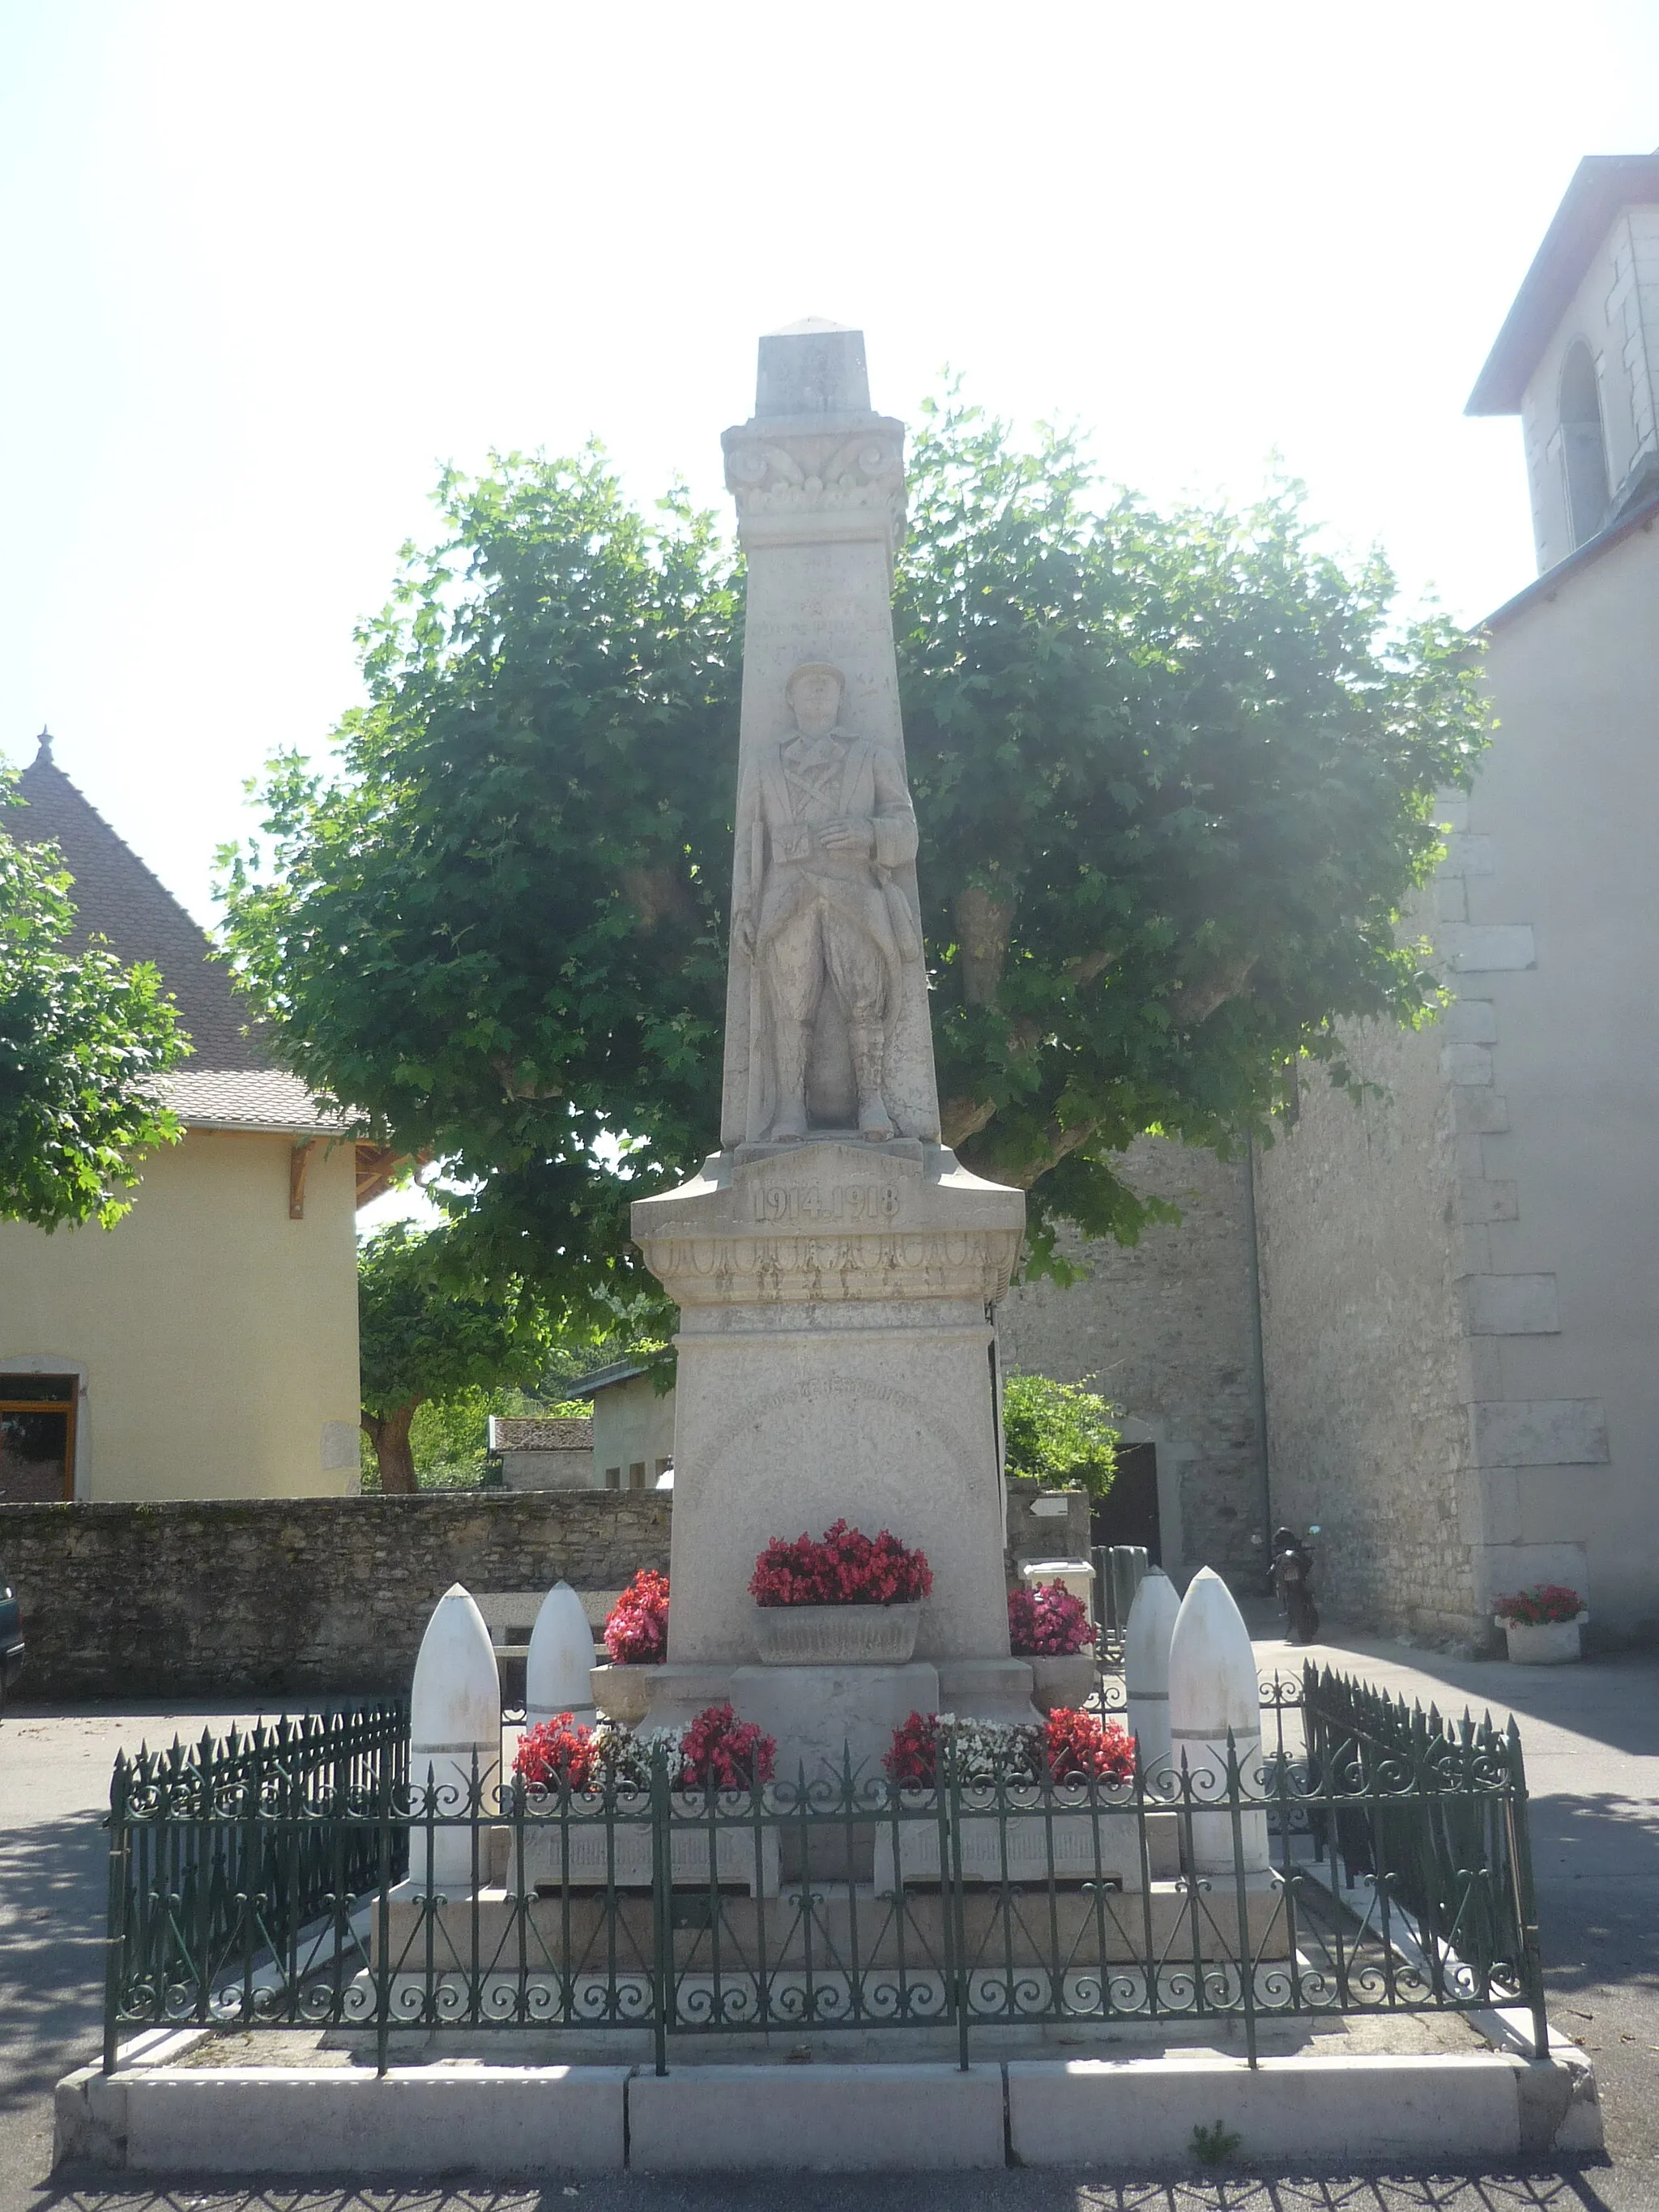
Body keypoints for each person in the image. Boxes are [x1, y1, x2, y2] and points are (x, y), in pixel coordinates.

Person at [733, 663, 921, 1141]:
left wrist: (869, 833)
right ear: (790, 701)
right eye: (808, 690)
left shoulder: (871, 756)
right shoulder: (765, 762)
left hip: (855, 891)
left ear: (840, 700)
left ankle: (872, 1102)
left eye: (827, 690)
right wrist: (744, 910)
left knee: (864, 1000)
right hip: (786, 896)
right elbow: (748, 845)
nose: (818, 697)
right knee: (791, 1007)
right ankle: (790, 1110)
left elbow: (906, 831)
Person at [1269, 1524, 1320, 1643]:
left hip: (1298, 1584)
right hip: (1292, 1588)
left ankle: (1295, 1612)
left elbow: (1307, 1562)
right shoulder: (1281, 1556)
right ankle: (1288, 1610)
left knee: (1307, 1586)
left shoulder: (1293, 1552)